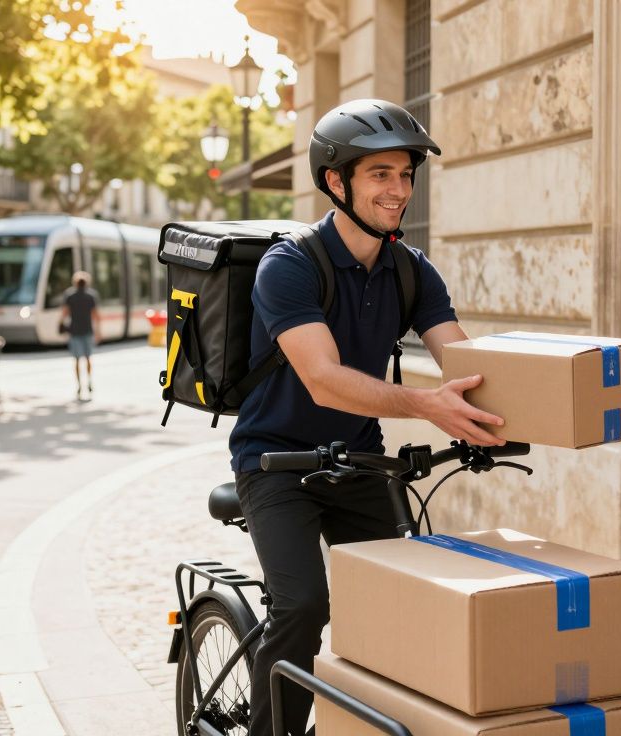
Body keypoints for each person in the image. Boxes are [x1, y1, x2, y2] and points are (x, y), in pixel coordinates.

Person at [230, 99, 505, 736]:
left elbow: (462, 361)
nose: (398, 190)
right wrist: (426, 405)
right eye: (380, 174)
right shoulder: (290, 266)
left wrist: (511, 410)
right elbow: (323, 381)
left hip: (357, 460)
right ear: (336, 181)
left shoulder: (411, 271)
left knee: (398, 603)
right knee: (302, 607)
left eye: (405, 175)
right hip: (276, 463)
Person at [59, 271, 100, 400]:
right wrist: (98, 331)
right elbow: (95, 315)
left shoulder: (69, 295)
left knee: (76, 360)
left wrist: (60, 324)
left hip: (74, 331)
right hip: (87, 330)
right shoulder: (91, 296)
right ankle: (89, 381)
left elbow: (65, 312)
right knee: (88, 358)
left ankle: (79, 385)